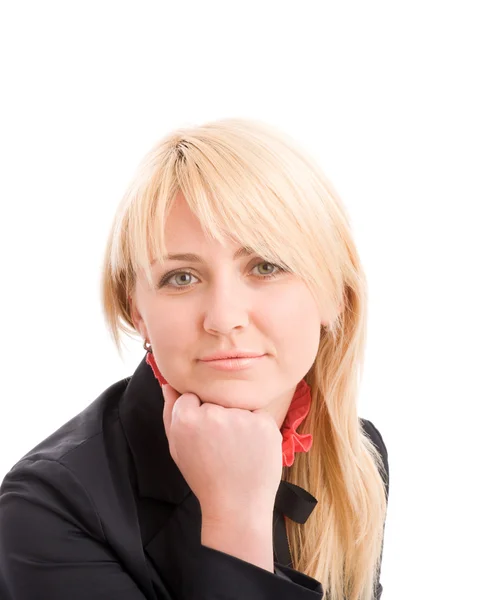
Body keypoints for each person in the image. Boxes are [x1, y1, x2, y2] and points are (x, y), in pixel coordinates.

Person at [0, 118, 389, 600]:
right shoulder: (45, 510)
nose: (224, 319)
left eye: (266, 266)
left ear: (338, 297)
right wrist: (235, 517)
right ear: (135, 311)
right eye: (181, 277)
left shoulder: (354, 456)